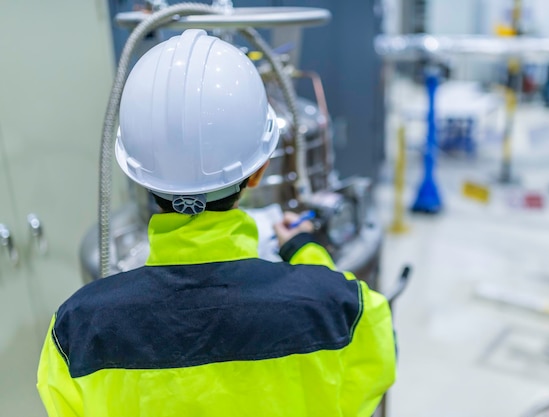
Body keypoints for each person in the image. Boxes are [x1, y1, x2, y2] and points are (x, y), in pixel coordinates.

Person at [37, 29, 395, 417]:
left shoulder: (75, 330)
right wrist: (306, 252)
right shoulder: (342, 310)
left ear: (139, 175)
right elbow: (372, 370)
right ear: (258, 171)